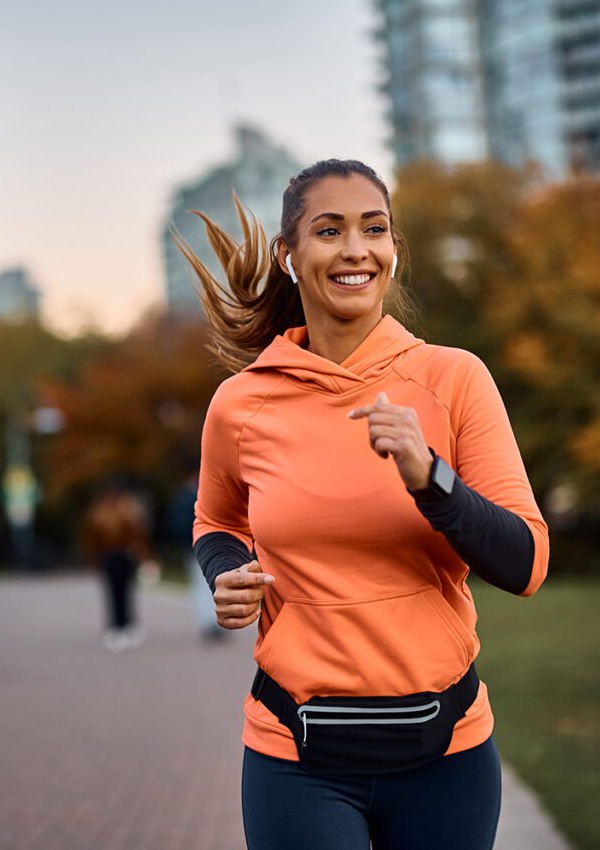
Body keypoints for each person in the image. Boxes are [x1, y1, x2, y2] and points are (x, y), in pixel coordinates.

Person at [180, 159, 549, 849]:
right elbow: (217, 519)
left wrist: (430, 478)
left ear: (393, 250)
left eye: (373, 229)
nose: (355, 249)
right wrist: (226, 572)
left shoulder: (454, 379)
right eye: (330, 230)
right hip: (296, 755)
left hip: (447, 756)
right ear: (290, 256)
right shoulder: (241, 403)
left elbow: (526, 563)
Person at [82, 484, 148, 653]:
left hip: (120, 556)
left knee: (122, 592)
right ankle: (119, 626)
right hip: (111, 557)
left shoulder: (117, 513)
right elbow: (93, 539)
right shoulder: (105, 514)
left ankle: (125, 625)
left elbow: (137, 535)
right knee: (116, 593)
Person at [168, 471, 224, 642]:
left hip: (196, 546)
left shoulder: (184, 498)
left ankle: (210, 620)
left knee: (203, 585)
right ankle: (210, 621)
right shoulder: (193, 498)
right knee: (205, 585)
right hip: (199, 545)